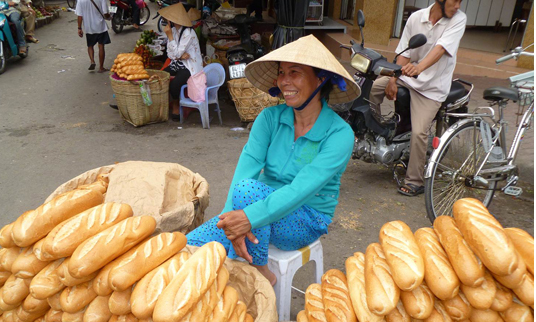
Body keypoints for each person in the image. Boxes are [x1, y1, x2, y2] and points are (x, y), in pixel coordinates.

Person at [186, 35, 361, 285]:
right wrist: (229, 222)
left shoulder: (339, 135)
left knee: (248, 191)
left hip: (305, 218)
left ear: (321, 79)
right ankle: (247, 251)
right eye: (281, 72)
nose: (284, 81)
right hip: (254, 204)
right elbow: (245, 169)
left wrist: (247, 219)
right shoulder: (269, 118)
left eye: (294, 72)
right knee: (187, 246)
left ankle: (260, 269)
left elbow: (301, 190)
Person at [369, 0, 466, 197]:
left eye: (460, 1)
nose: (457, 5)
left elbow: (440, 50)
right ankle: (376, 134)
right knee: (373, 89)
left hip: (432, 88)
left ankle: (415, 180)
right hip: (408, 78)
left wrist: (418, 68)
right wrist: (393, 79)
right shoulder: (416, 18)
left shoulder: (458, 19)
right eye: (454, 0)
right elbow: (404, 53)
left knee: (419, 132)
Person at [160, 3, 203, 121]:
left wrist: (169, 37)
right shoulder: (173, 31)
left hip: (189, 67)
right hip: (177, 64)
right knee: (160, 76)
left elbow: (176, 54)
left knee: (175, 84)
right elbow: (170, 54)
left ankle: (175, 105)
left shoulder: (188, 33)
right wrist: (178, 56)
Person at [75, 0, 111, 73]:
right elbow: (105, 12)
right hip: (100, 26)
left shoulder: (80, 0)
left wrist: (79, 28)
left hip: (89, 27)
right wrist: (110, 17)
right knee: (101, 46)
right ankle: (101, 67)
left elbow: (79, 15)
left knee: (90, 46)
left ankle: (92, 61)